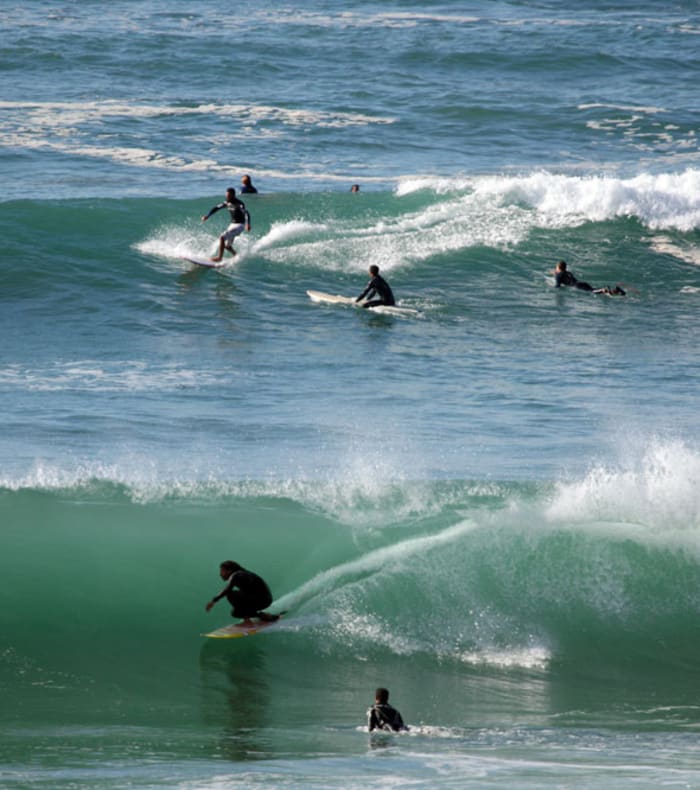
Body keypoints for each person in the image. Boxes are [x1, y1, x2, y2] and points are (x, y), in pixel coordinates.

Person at [205, 560, 278, 626]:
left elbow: (227, 589)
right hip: (265, 600)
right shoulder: (242, 574)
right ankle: (262, 615)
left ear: (229, 570)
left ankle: (248, 622)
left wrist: (213, 601)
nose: (220, 574)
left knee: (231, 595)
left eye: (222, 571)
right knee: (236, 613)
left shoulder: (237, 575)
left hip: (262, 600)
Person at [201, 188, 251, 262]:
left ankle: (219, 258)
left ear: (233, 195)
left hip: (240, 225)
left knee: (222, 237)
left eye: (229, 196)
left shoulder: (239, 204)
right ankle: (237, 256)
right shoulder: (226, 202)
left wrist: (248, 224)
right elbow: (216, 208)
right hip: (232, 225)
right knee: (227, 246)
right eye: (227, 196)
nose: (227, 197)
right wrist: (207, 216)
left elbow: (246, 213)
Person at [554, 261, 626, 296]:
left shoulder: (558, 275)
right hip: (581, 283)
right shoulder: (568, 273)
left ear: (558, 268)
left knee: (593, 292)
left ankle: (605, 289)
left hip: (576, 286)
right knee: (594, 290)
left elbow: (558, 286)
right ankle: (616, 290)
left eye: (556, 267)